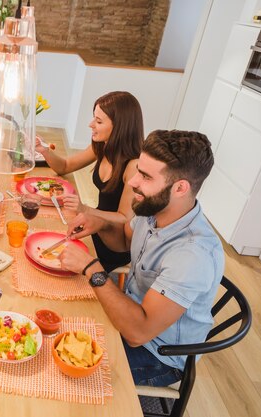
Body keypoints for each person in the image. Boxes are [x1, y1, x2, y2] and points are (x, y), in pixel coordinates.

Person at [59, 130, 224, 387]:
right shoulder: (154, 208)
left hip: (157, 354)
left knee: (63, 369)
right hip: (130, 311)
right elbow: (125, 241)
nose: (133, 182)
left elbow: (138, 333)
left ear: (180, 187)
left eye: (145, 176)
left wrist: (92, 268)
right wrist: (100, 222)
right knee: (55, 320)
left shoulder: (193, 255)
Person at [36, 91, 143, 272]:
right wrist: (44, 150)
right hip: (94, 225)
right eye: (94, 118)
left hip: (114, 243)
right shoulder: (102, 146)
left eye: (99, 121)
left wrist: (85, 209)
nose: (91, 125)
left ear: (119, 127)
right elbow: (65, 166)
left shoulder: (133, 165)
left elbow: (125, 218)